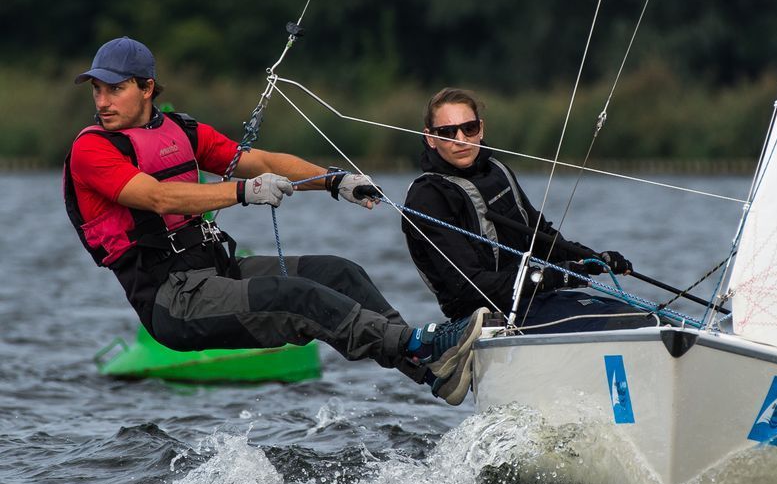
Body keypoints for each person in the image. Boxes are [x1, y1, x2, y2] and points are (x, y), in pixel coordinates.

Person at [64, 37, 485, 404]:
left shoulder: (180, 131)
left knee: (340, 273)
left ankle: (433, 371)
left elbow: (260, 161)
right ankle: (422, 345)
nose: (102, 101)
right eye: (97, 90)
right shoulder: (92, 149)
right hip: (173, 300)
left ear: (146, 88)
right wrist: (243, 192)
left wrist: (333, 180)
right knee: (297, 297)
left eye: (115, 89)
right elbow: (157, 197)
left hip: (217, 270)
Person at [402, 88, 653, 333]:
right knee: (625, 326)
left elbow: (540, 236)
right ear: (430, 138)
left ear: (481, 129)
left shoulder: (497, 171)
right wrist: (555, 277)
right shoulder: (428, 197)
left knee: (644, 319)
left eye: (469, 128)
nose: (460, 139)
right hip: (486, 318)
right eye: (447, 132)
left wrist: (594, 260)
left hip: (533, 300)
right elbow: (468, 285)